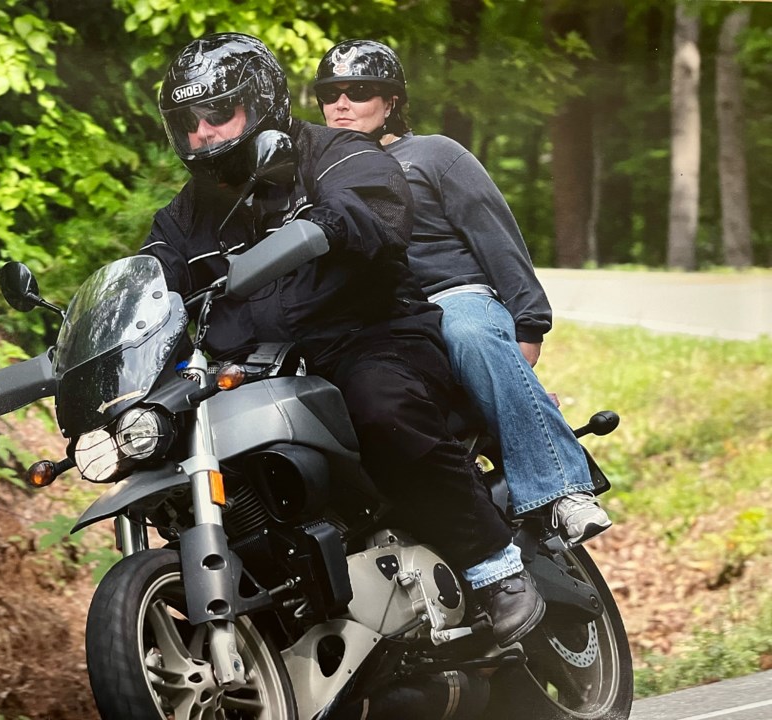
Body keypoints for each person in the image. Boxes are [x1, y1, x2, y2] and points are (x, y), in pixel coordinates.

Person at [140, 32, 544, 647]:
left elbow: (374, 204)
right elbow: (152, 277)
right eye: (187, 122)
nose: (201, 133)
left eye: (217, 114)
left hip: (368, 336)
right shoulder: (186, 213)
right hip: (259, 369)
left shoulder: (331, 152)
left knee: (382, 407)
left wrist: (332, 221)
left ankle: (495, 567)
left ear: (261, 101)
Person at [314, 39, 612, 546]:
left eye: (359, 91)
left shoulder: (434, 154)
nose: (341, 104)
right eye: (331, 93)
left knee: (469, 330)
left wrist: (529, 322)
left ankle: (563, 491)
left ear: (390, 103)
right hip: (378, 324)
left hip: (451, 298)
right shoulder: (318, 176)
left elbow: (496, 236)